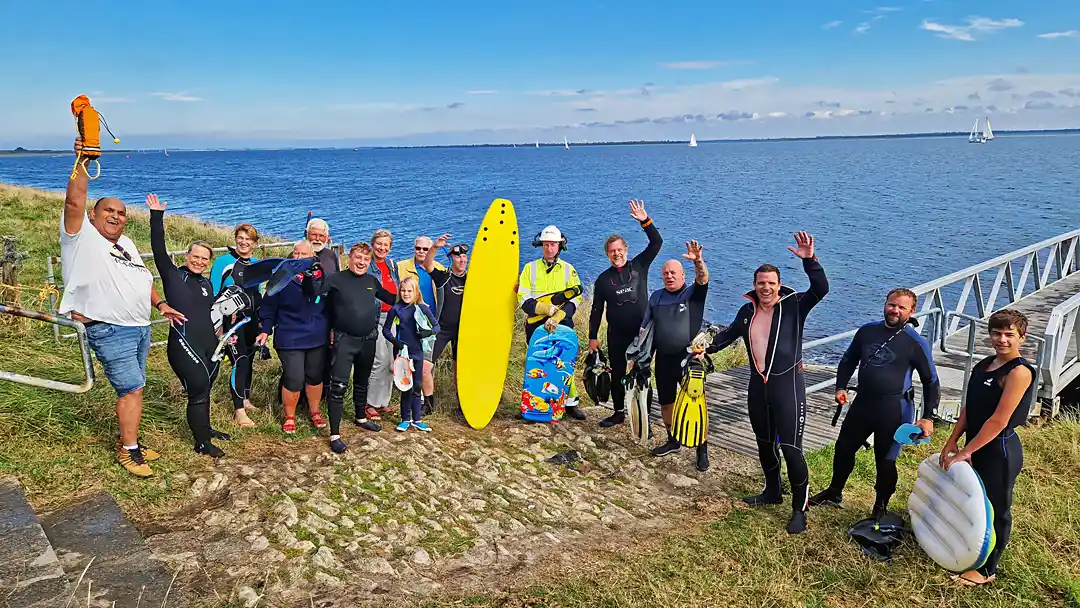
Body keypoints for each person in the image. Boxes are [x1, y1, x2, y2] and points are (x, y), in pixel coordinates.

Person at [59, 137, 184, 477]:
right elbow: (73, 202)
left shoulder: (126, 243)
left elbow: (142, 280)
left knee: (136, 386)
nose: (115, 216)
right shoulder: (80, 237)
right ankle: (128, 451)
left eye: (121, 213)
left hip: (138, 326)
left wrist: (160, 304)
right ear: (93, 216)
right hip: (109, 328)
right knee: (130, 388)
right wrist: (84, 160)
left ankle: (131, 441)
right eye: (108, 211)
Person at [705, 232, 828, 535]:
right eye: (761, 283)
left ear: (779, 284)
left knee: (791, 448)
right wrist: (704, 349)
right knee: (763, 444)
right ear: (754, 284)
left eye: (771, 283)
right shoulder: (747, 311)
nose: (766, 288)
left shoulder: (796, 305)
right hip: (758, 388)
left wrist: (810, 260)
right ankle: (772, 491)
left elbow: (821, 288)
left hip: (788, 388)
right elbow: (728, 335)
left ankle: (800, 509)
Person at [809, 288, 939, 518]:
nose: (895, 310)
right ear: (885, 304)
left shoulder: (914, 342)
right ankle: (834, 491)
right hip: (864, 403)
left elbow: (931, 381)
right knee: (843, 449)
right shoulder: (867, 332)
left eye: (901, 307)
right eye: (892, 305)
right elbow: (849, 359)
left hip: (895, 409)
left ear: (912, 311)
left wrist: (928, 416)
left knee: (885, 460)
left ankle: (880, 507)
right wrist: (841, 386)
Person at [940, 309, 1034, 587]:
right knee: (970, 501)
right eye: (996, 333)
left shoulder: (1018, 372)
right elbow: (970, 408)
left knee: (997, 508)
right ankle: (967, 550)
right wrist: (952, 441)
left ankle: (988, 569)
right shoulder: (985, 364)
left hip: (1000, 450)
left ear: (1022, 338)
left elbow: (998, 420)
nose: (1002, 339)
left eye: (1009, 334)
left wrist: (966, 452)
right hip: (974, 444)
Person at [147, 194, 231, 458]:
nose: (200, 262)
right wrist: (156, 216)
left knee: (206, 387)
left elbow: (212, 314)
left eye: (205, 259)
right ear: (187, 255)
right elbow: (159, 249)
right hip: (183, 344)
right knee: (197, 389)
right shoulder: (174, 277)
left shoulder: (206, 284)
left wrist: (224, 334)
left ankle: (204, 429)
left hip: (209, 344)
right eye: (196, 257)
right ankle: (201, 443)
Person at [628, 240, 709, 471]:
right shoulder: (656, 297)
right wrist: (637, 357)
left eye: (673, 272)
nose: (669, 276)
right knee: (666, 403)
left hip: (688, 359)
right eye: (665, 273)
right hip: (663, 359)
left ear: (683, 275)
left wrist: (698, 262)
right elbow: (645, 329)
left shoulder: (693, 293)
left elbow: (703, 280)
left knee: (696, 406)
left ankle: (702, 448)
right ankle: (673, 440)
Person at [588, 200, 662, 427]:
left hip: (641, 332)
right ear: (607, 255)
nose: (616, 254)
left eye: (620, 250)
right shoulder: (602, 280)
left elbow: (656, 242)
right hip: (617, 333)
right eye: (612, 251)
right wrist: (593, 337)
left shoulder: (639, 265)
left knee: (642, 373)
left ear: (626, 250)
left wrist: (645, 222)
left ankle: (644, 415)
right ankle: (619, 412)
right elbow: (596, 309)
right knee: (619, 372)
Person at [322, 242, 396, 452]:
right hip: (344, 339)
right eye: (358, 258)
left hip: (368, 339)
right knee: (338, 387)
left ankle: (361, 417)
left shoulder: (372, 281)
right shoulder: (336, 279)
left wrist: (411, 294)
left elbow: (390, 298)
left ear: (369, 261)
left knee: (362, 381)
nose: (361, 262)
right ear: (350, 259)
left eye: (366, 259)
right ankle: (335, 434)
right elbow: (316, 295)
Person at [256, 240, 329, 434]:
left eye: (303, 254)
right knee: (294, 377)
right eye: (295, 253)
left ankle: (314, 412)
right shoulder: (282, 277)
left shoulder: (322, 276)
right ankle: (289, 415)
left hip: (317, 335)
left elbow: (331, 306)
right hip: (290, 336)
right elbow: (268, 307)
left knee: (315, 376)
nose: (298, 257)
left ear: (312, 256)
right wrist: (265, 329)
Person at [517, 225, 585, 420]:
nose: (549, 248)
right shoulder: (530, 269)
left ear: (559, 246)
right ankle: (531, 403)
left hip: (562, 323)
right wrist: (545, 310)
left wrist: (558, 316)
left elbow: (576, 298)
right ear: (541, 245)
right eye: (546, 244)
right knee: (536, 363)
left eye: (553, 244)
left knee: (563, 363)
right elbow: (522, 297)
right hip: (536, 323)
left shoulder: (568, 270)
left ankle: (570, 403)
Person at [209, 222, 262, 428]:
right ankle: (239, 411)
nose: (243, 242)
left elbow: (258, 294)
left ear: (255, 243)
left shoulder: (257, 263)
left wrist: (262, 324)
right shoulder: (224, 262)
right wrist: (215, 325)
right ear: (235, 239)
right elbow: (214, 292)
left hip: (251, 321)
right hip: (229, 323)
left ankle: (246, 399)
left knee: (248, 360)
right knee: (239, 361)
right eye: (240, 238)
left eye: (248, 239)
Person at [382, 276, 440, 432]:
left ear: (416, 292)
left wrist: (428, 332)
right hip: (403, 352)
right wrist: (396, 343)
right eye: (403, 290)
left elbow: (436, 326)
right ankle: (405, 419)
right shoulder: (396, 309)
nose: (406, 294)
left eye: (409, 291)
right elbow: (385, 330)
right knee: (405, 386)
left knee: (417, 385)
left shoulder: (422, 308)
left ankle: (417, 419)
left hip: (418, 352)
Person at [398, 235, 445, 411]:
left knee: (426, 365)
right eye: (418, 248)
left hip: (429, 323)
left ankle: (426, 402)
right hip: (408, 323)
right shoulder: (402, 267)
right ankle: (411, 397)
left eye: (425, 249)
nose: (421, 252)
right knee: (408, 361)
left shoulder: (438, 268)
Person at [364, 229, 399, 421]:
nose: (382, 248)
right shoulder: (367, 265)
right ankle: (369, 403)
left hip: (392, 317)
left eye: (386, 245)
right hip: (374, 318)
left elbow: (398, 289)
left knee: (391, 362)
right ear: (373, 244)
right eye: (379, 244)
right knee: (381, 360)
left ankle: (382, 402)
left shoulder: (392, 265)